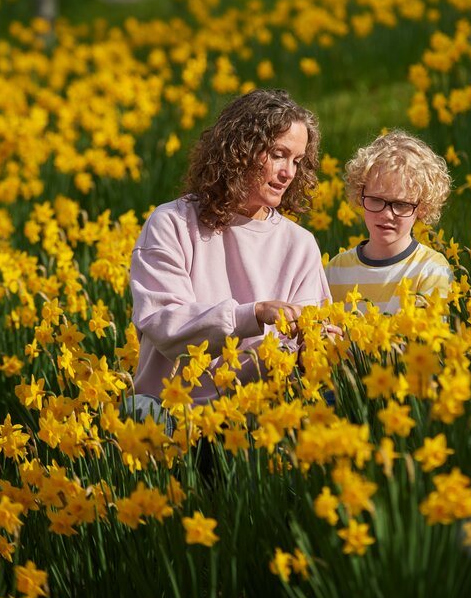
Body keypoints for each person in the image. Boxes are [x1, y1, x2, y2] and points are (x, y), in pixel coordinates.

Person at [124, 89, 331, 429]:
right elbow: (166, 325)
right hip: (170, 414)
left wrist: (317, 342)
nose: (289, 172)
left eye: (298, 161)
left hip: (256, 418)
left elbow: (298, 354)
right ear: (241, 151)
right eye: (279, 155)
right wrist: (254, 314)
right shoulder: (172, 224)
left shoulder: (300, 245)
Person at [325, 130, 453, 313]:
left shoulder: (431, 270)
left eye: (400, 204)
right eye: (376, 200)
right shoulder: (336, 271)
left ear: (422, 207)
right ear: (360, 197)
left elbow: (426, 338)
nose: (386, 214)